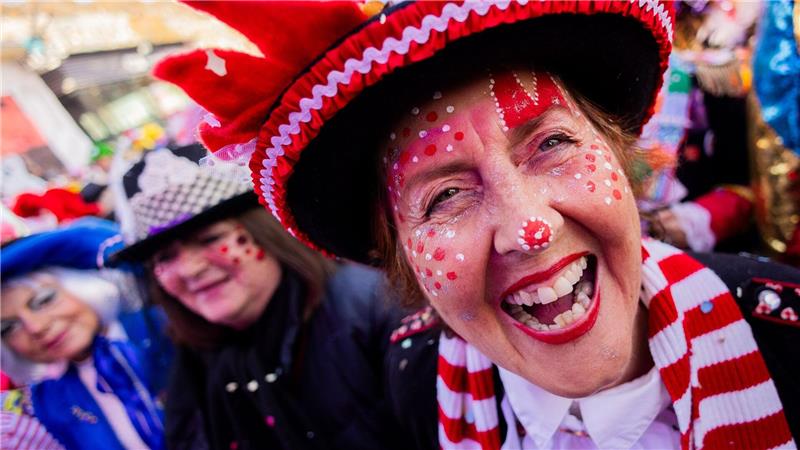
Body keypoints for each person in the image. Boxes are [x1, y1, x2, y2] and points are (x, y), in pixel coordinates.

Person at [154, 1, 800, 449]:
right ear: (399, 252)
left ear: (615, 151)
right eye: (445, 198)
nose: (529, 228)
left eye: (551, 145)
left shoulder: (786, 333)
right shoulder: (417, 378)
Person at [109, 144, 403, 450]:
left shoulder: (375, 308)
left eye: (210, 239)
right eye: (165, 259)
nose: (190, 269)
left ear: (266, 233)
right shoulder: (193, 362)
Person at [0, 218, 170, 450]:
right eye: (8, 327)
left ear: (82, 287)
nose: (36, 327)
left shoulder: (166, 330)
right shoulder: (49, 400)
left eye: (43, 300)